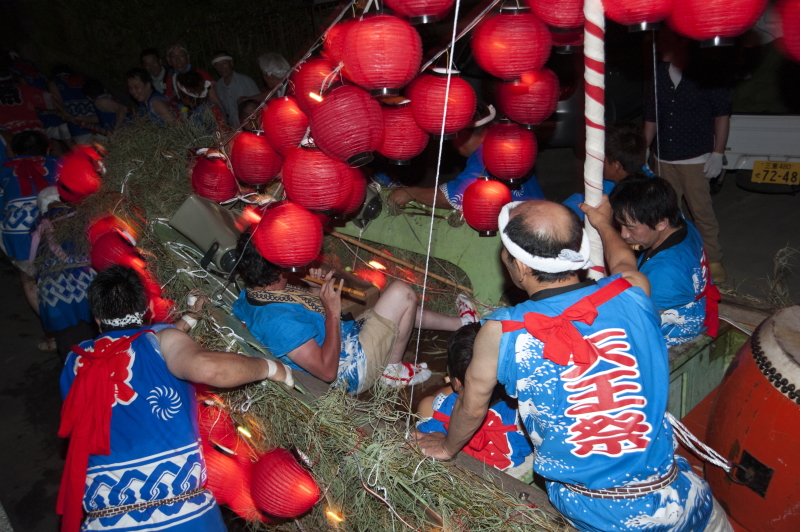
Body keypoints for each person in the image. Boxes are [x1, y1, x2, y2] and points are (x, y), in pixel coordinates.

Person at [412, 199, 731, 532]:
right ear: (579, 253)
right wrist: (603, 223)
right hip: (681, 497)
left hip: (600, 516)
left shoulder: (502, 332)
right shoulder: (633, 291)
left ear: (519, 267)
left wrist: (448, 447)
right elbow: (623, 260)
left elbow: (471, 409)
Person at [58, 264, 294, 532]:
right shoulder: (159, 340)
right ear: (148, 306)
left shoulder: (76, 361)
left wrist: (188, 320)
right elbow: (208, 368)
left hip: (107, 519)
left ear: (98, 319)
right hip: (182, 516)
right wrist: (271, 368)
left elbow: (132, 348)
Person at [232, 231, 471, 394]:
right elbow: (327, 371)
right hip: (350, 371)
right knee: (401, 293)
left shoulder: (255, 291)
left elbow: (304, 321)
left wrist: (315, 292)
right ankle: (391, 371)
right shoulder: (278, 322)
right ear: (277, 268)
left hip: (347, 337)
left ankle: (463, 323)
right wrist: (333, 312)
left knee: (398, 307)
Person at [644, 28, 731, 283]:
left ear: (682, 44)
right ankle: (672, 257)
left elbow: (722, 114)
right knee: (667, 212)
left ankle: (713, 258)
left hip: (695, 158)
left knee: (701, 211)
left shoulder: (706, 72)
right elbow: (651, 116)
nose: (660, 46)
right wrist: (644, 150)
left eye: (665, 40)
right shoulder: (659, 73)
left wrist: (718, 152)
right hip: (664, 158)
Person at [609, 176, 720, 346]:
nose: (624, 234)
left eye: (630, 227)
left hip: (669, 337)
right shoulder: (683, 225)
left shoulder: (664, 270)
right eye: (620, 225)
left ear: (661, 223)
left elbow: (637, 322)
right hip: (693, 305)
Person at [416, 322, 533, 476]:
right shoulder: (524, 420)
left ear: (456, 381)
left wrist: (457, 386)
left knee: (428, 404)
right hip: (501, 471)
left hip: (451, 475)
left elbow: (448, 396)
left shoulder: (438, 409)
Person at [388, 106, 545, 209]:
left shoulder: (485, 156)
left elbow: (459, 195)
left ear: (464, 134)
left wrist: (411, 193)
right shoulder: (509, 150)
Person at [29, 186, 96, 361]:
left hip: (54, 289)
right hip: (87, 280)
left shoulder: (38, 224)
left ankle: (75, 378)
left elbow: (32, 262)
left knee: (69, 343)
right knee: (97, 333)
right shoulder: (82, 216)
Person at [0, 131, 60, 316]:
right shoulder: (59, 163)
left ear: (15, 151)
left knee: (28, 278)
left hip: (19, 231)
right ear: (47, 147)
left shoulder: (3, 168)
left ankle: (52, 330)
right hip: (59, 225)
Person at [562, 122, 653, 220]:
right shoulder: (614, 179)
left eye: (601, 157)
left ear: (617, 165)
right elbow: (581, 200)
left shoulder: (643, 200)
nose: (595, 160)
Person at [164, 42, 223, 110]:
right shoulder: (170, 80)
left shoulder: (201, 75)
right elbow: (172, 103)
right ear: (169, 60)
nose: (178, 60)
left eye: (181, 55)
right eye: (174, 56)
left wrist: (222, 119)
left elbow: (216, 101)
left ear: (187, 57)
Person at [210, 50, 259, 127]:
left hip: (251, 127)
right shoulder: (217, 87)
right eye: (218, 65)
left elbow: (259, 105)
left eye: (224, 63)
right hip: (233, 130)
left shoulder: (246, 81)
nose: (221, 68)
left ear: (231, 63)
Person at [51, 65, 97, 143]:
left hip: (78, 126)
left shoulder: (55, 83)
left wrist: (64, 114)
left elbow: (58, 103)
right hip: (96, 121)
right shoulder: (83, 80)